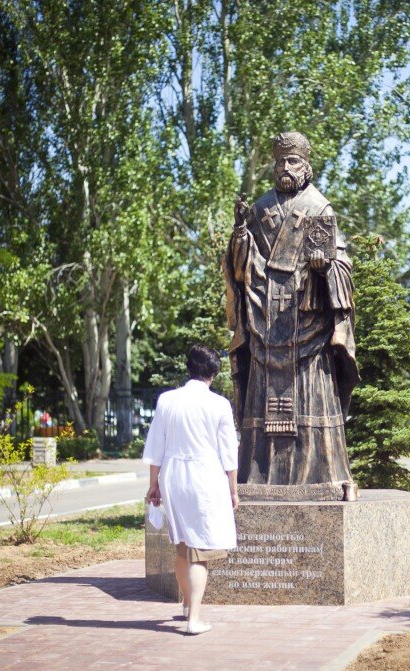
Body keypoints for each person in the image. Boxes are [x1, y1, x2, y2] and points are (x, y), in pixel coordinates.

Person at [223, 131, 359, 486]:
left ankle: (318, 475)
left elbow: (342, 266)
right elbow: (242, 266)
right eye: (280, 161)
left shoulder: (318, 207)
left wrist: (324, 267)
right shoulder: (260, 208)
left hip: (306, 325)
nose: (285, 167)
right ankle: (259, 476)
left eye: (292, 161)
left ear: (306, 165)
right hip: (264, 319)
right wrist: (240, 232)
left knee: (311, 398)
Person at [143, 344, 239, 635]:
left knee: (182, 545)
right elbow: (229, 453)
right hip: (204, 476)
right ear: (213, 372)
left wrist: (154, 484)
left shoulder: (167, 400)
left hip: (173, 475)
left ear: (189, 367)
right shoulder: (219, 404)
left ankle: (186, 606)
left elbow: (155, 446)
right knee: (200, 549)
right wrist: (233, 490)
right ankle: (193, 619)